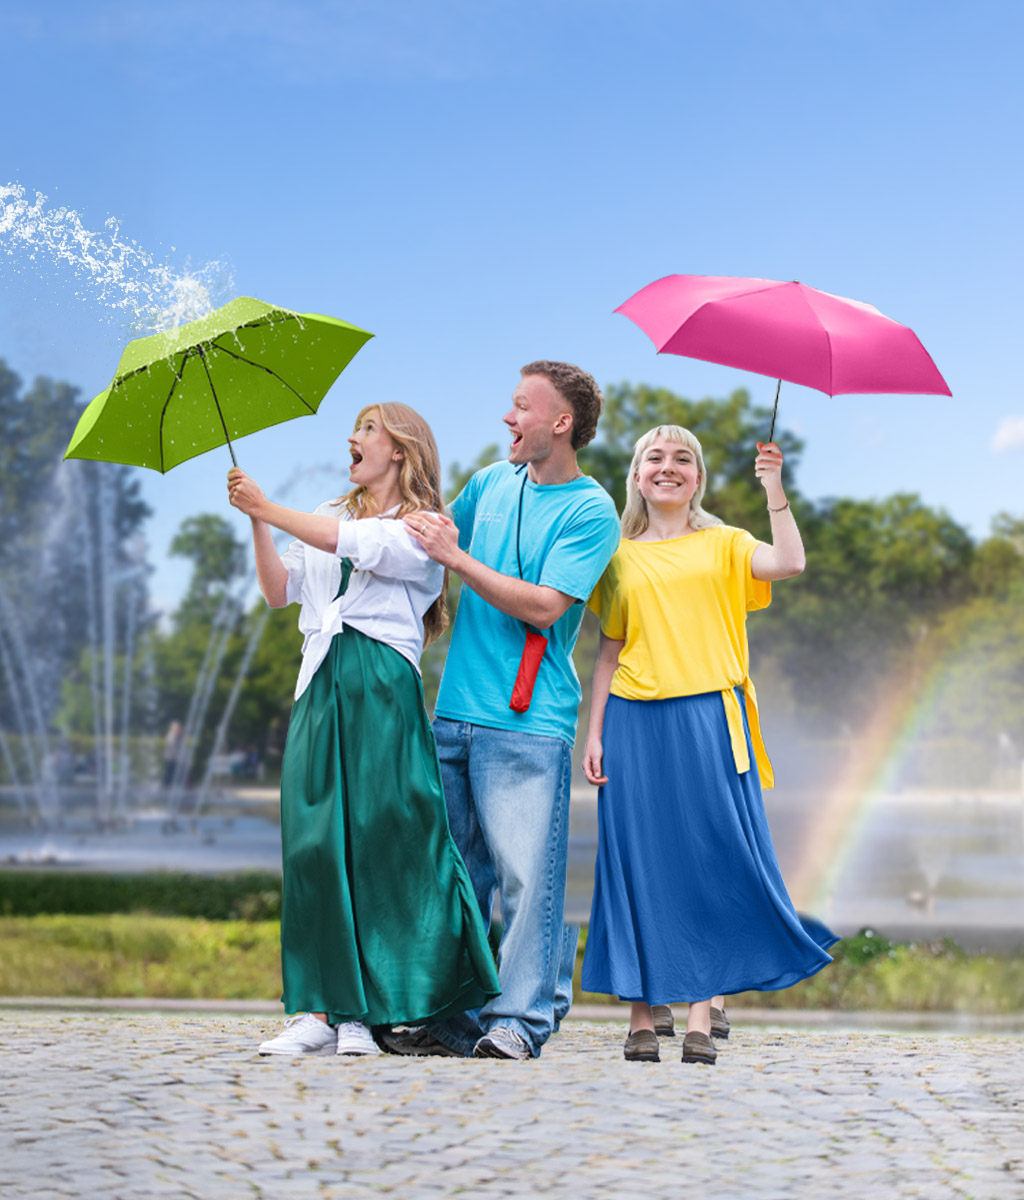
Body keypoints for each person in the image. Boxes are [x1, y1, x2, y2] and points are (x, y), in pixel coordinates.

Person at [228, 402, 499, 1058]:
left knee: (379, 838)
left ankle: (364, 1015)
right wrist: (255, 522)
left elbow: (354, 546)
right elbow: (278, 591)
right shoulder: (328, 510)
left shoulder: (425, 525)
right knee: (313, 845)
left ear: (400, 449)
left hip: (381, 685)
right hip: (319, 683)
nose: (352, 438)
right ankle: (315, 1011)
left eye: (367, 430)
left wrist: (268, 508)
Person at [380, 361, 620, 1061]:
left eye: (521, 406)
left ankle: (522, 1019)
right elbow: (425, 545)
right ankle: (452, 1020)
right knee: (455, 876)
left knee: (526, 879)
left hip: (528, 724)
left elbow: (545, 606)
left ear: (561, 423)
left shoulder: (590, 510)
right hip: (453, 712)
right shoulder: (489, 483)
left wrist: (456, 559)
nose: (508, 418)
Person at [581, 426, 837, 1066]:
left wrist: (774, 487)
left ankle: (701, 1013)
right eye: (655, 458)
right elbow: (610, 650)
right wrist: (595, 732)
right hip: (633, 723)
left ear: (697, 477)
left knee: (710, 860)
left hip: (710, 721)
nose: (668, 467)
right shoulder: (616, 556)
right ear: (637, 475)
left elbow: (791, 563)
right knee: (637, 863)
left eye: (683, 458)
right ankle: (642, 1014)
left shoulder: (725, 543)